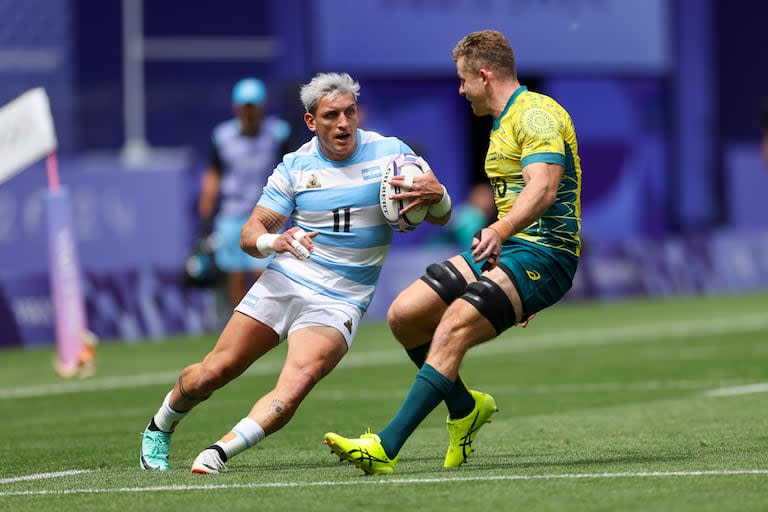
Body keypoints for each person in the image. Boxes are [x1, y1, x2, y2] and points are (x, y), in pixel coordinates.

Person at [139, 72, 453, 473]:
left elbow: (442, 217)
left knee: (295, 386)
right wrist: (276, 241)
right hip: (286, 280)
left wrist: (439, 195)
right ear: (311, 122)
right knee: (215, 371)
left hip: (342, 298)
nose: (343, 124)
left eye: (349, 113)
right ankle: (159, 426)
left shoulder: (392, 154)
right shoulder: (295, 166)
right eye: (331, 115)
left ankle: (217, 453)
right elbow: (250, 234)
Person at [323, 29, 582, 475]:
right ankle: (465, 408)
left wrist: (501, 235)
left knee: (453, 327)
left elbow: (543, 189)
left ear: (484, 75)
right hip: (512, 252)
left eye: (463, 80)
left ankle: (384, 446)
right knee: (406, 316)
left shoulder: (536, 114)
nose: (461, 90)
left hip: (545, 254)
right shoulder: (503, 123)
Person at [197, 77, 291, 307]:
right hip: (232, 215)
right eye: (245, 107)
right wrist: (205, 215)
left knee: (264, 272)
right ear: (236, 108)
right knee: (235, 275)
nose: (249, 113)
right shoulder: (222, 137)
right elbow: (214, 175)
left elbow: (290, 172)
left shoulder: (278, 134)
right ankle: (240, 326)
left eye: (254, 106)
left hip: (267, 214)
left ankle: (267, 322)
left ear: (262, 107)